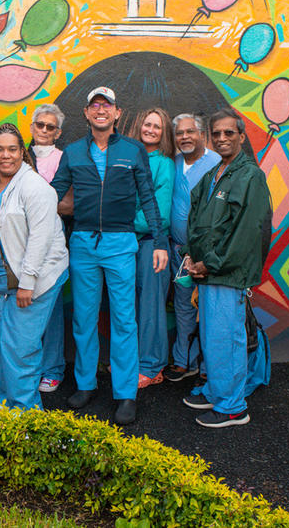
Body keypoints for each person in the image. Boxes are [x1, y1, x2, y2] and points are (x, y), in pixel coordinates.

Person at [50, 86, 168, 426]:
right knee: (84, 318)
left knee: (123, 320)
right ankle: (86, 384)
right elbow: (54, 193)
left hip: (120, 242)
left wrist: (159, 240)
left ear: (117, 113)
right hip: (84, 242)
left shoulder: (132, 150)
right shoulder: (72, 152)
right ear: (86, 114)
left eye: (107, 105)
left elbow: (147, 197)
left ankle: (126, 393)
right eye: (94, 105)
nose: (101, 110)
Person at [0, 124, 69, 413]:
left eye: (12, 149)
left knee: (20, 348)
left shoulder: (36, 187)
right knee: (0, 345)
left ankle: (25, 410)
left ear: (22, 152)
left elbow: (41, 238)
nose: (5, 155)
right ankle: (7, 402)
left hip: (32, 280)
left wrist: (28, 282)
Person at [182, 108, 270, 428]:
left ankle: (233, 406)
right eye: (216, 133)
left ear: (242, 137)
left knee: (227, 340)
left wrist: (212, 263)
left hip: (227, 274)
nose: (221, 138)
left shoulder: (249, 176)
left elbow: (247, 231)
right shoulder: (215, 173)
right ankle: (217, 390)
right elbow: (198, 219)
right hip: (206, 272)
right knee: (212, 338)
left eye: (228, 133)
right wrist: (191, 255)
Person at [164, 113, 221, 382]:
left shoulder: (217, 163)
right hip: (179, 253)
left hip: (208, 254)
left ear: (201, 134)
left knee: (210, 308)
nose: (184, 137)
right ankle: (183, 360)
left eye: (190, 131)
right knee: (183, 306)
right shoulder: (173, 164)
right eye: (179, 133)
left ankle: (210, 365)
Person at [127, 108, 175, 388]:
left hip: (150, 245)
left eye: (158, 127)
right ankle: (133, 361)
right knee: (128, 306)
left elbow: (160, 213)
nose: (151, 130)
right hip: (126, 245)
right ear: (139, 125)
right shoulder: (128, 157)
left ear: (164, 133)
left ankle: (152, 366)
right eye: (148, 124)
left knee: (151, 308)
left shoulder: (164, 164)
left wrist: (123, 221)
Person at [28, 103, 67, 393]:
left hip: (53, 239)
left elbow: (69, 204)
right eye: (39, 125)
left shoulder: (65, 159)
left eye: (49, 127)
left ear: (58, 132)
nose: (43, 130)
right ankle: (26, 367)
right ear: (31, 127)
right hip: (20, 238)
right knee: (24, 303)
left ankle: (52, 368)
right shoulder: (17, 156)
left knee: (51, 304)